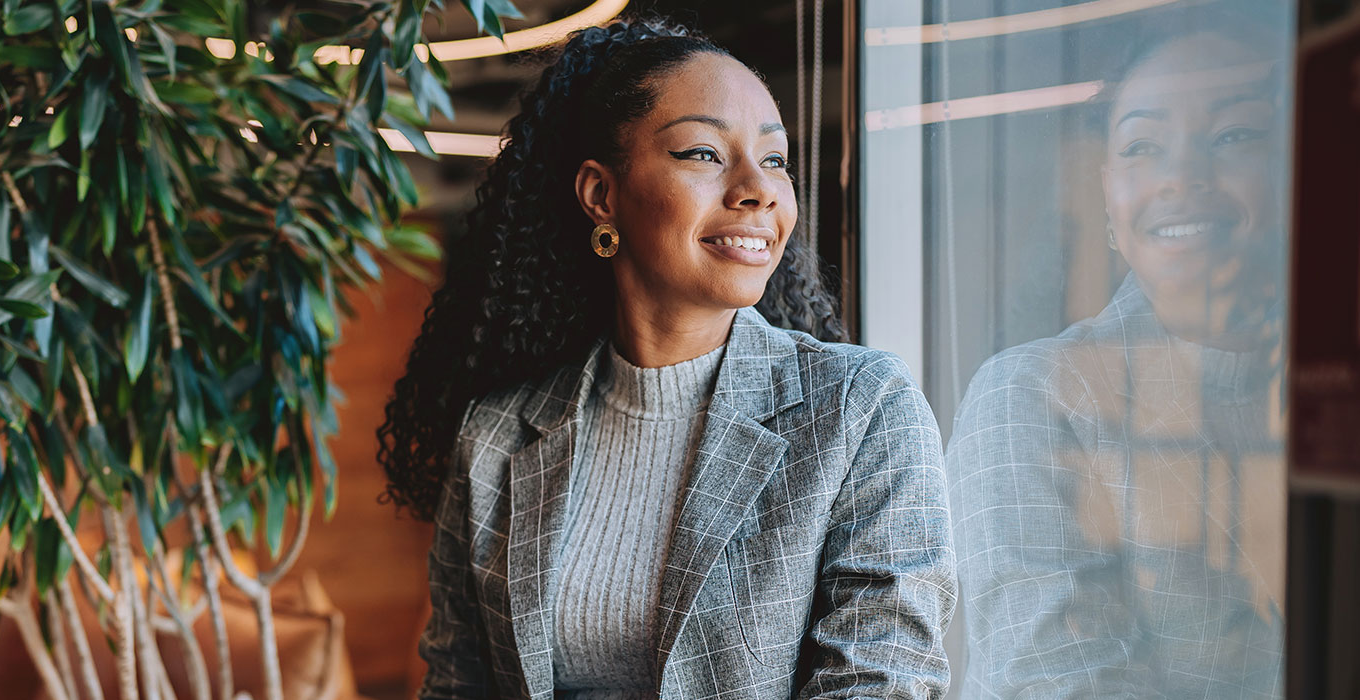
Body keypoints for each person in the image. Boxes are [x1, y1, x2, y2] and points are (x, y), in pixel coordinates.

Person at [375, 17, 955, 700]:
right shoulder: (497, 435)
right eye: (704, 154)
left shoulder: (860, 410)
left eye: (774, 159)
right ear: (602, 195)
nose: (758, 189)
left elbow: (881, 682)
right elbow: (457, 684)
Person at [946, 9, 1289, 699]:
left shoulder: (1323, 387)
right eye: (1142, 147)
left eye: (1235, 134)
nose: (1182, 175)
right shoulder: (1035, 394)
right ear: (1107, 199)